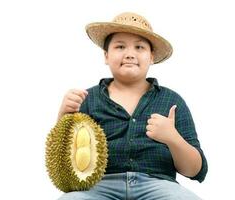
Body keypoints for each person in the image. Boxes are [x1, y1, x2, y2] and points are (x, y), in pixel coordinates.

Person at [56, 12, 207, 200]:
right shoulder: (87, 99)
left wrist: (172, 138)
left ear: (151, 56)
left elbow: (195, 170)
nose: (129, 54)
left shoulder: (171, 101)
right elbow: (63, 162)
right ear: (106, 55)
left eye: (139, 47)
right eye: (120, 46)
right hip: (99, 185)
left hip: (158, 185)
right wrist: (63, 115)